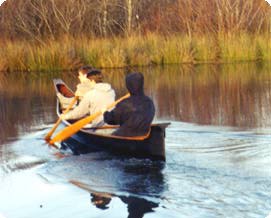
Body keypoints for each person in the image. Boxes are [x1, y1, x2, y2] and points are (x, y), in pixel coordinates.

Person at [103, 72, 155, 137]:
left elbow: (110, 120)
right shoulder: (150, 102)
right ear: (142, 84)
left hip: (124, 136)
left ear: (128, 86)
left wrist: (105, 113)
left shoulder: (125, 104)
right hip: (143, 135)